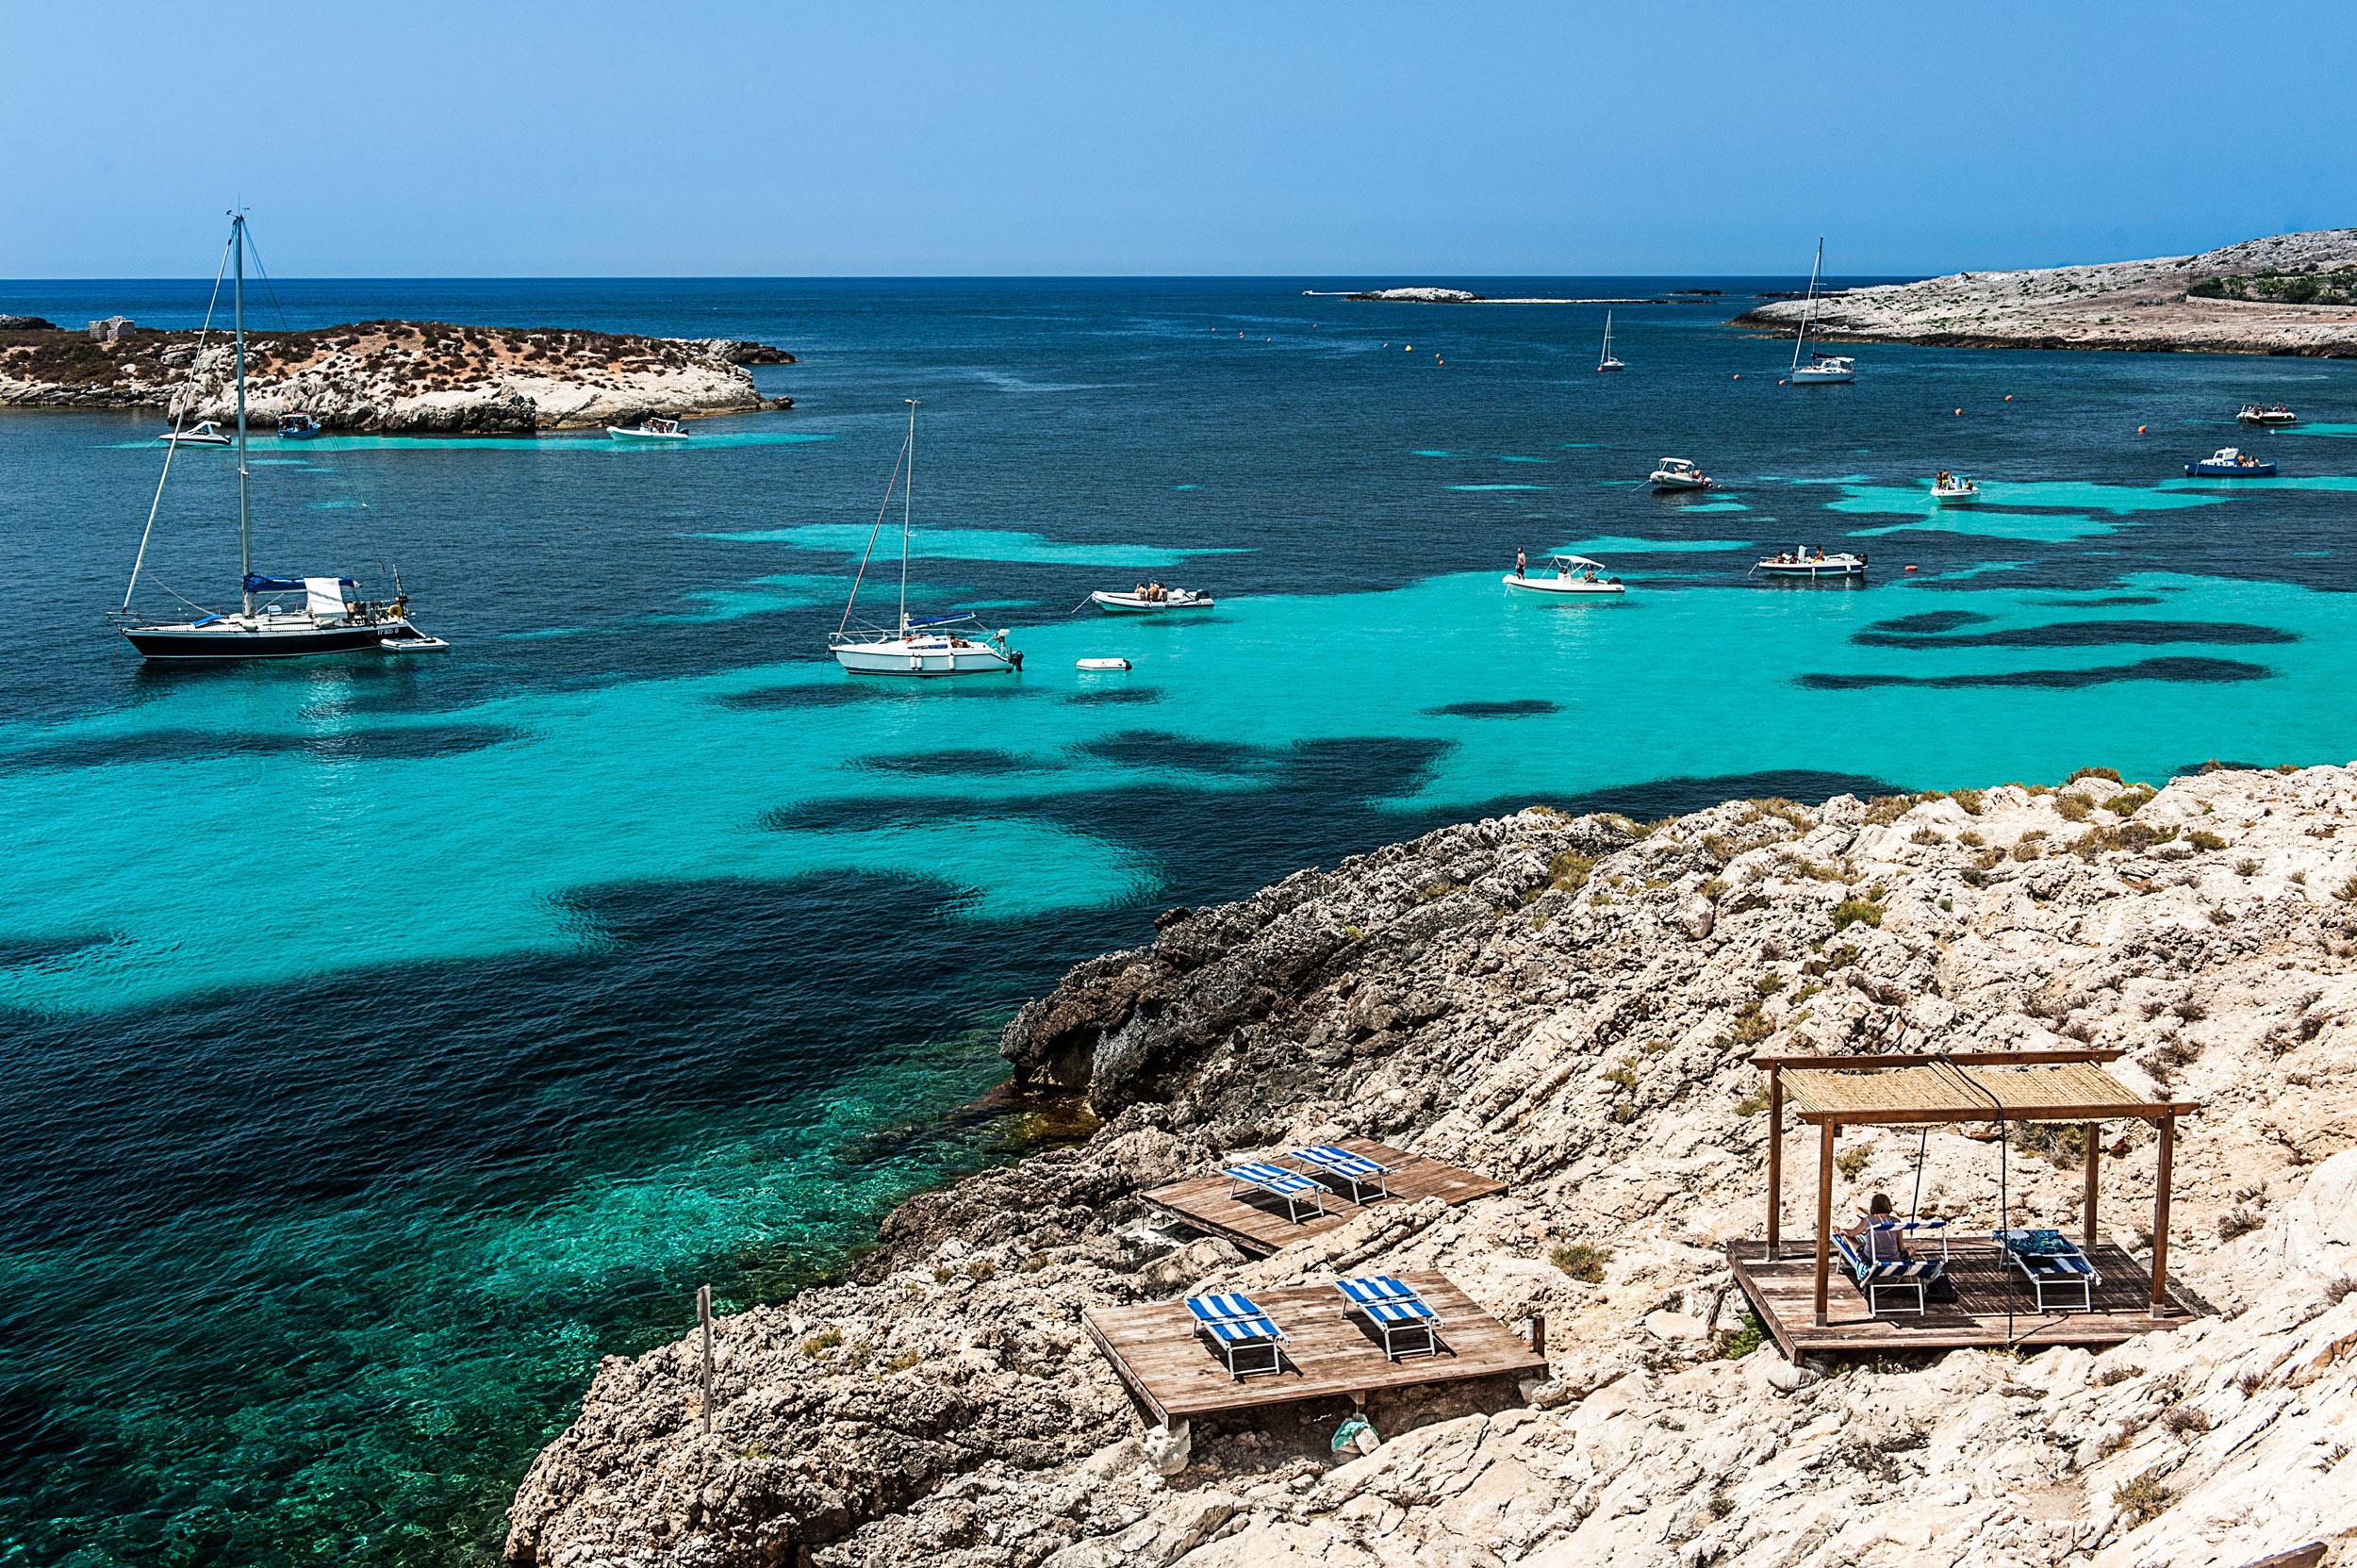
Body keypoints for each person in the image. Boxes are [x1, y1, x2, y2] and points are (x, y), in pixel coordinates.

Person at [1850, 1192, 1908, 1260]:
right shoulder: (1896, 1221)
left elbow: (1851, 1233)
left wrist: (1841, 1231)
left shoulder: (1868, 1220)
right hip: (1894, 1258)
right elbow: (1901, 1248)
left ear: (1873, 1207)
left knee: (1847, 1237)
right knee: (1911, 1249)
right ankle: (1906, 1266)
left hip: (1871, 1259)